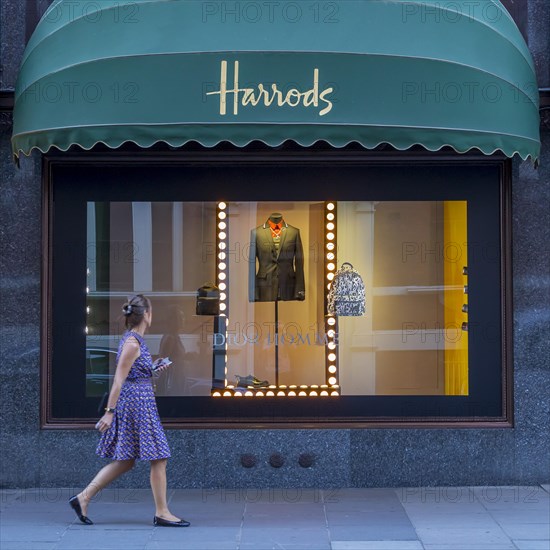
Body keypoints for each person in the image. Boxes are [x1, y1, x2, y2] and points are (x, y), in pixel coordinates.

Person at [68, 294, 190, 527]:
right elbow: (118, 380)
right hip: (137, 406)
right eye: (151, 310)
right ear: (146, 315)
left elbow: (132, 374)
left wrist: (152, 368)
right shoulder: (133, 343)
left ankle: (83, 498)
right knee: (159, 456)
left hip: (140, 403)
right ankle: (162, 512)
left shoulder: (134, 341)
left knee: (126, 460)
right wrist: (109, 411)